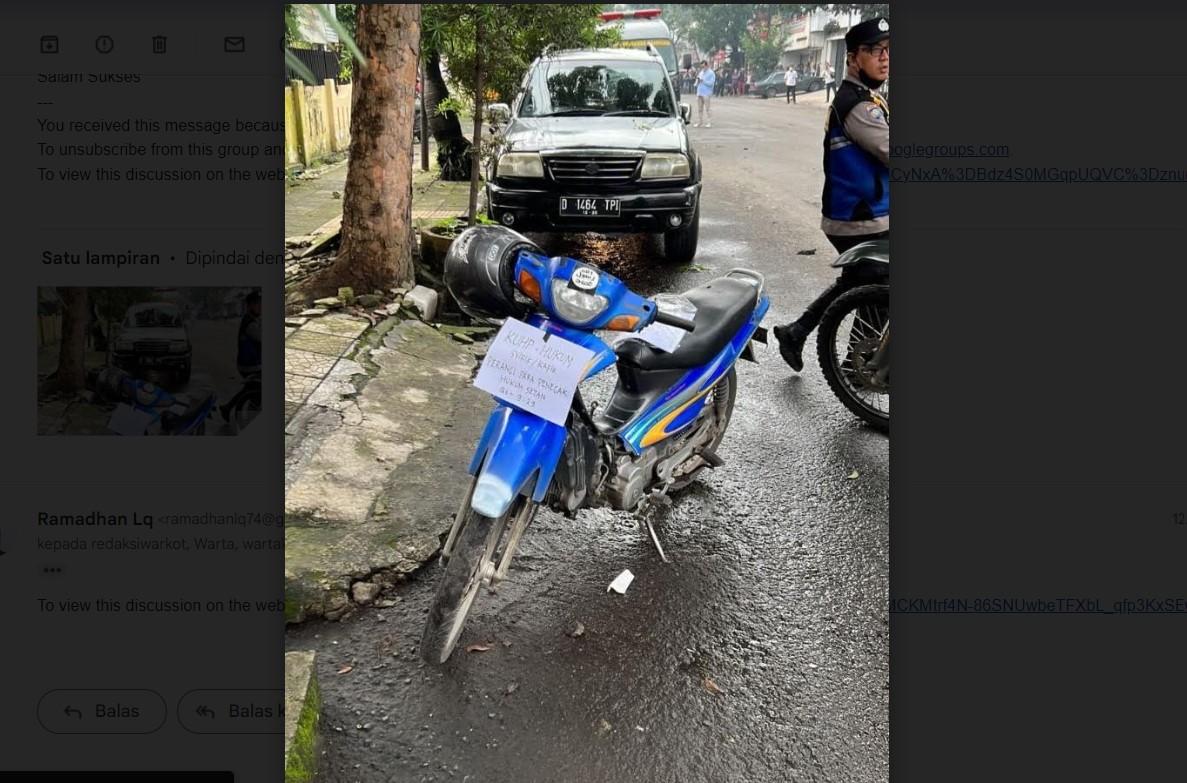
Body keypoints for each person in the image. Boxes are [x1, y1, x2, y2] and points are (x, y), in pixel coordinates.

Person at [774, 17, 889, 372]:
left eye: (888, 51)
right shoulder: (857, 105)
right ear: (853, 58)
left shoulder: (868, 98)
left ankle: (797, 332)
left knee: (861, 282)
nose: (884, 58)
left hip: (863, 212)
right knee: (877, 287)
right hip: (858, 217)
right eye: (874, 51)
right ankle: (860, 366)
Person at [220, 289, 262, 421]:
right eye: (256, 304)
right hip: (250, 364)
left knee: (250, 389)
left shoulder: (252, 319)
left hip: (251, 362)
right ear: (250, 306)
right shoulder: (250, 323)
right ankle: (249, 414)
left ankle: (228, 408)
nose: (260, 306)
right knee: (257, 389)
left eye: (260, 303)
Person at [694, 60, 715, 127]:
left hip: (706, 93)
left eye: (703, 66)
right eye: (702, 66)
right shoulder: (701, 72)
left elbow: (711, 83)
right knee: (700, 109)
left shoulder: (711, 73)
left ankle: (709, 122)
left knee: (707, 108)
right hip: (699, 92)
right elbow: (697, 81)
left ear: (706, 65)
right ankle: (700, 122)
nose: (703, 68)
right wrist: (697, 82)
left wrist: (703, 81)